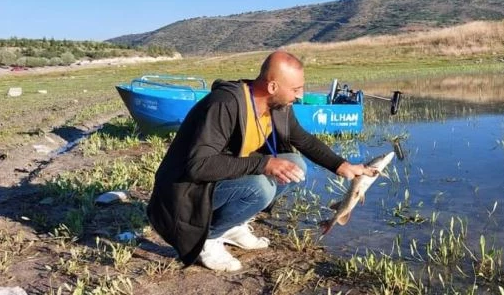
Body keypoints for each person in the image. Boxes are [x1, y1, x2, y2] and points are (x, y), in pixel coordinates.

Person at [146, 50, 377, 272]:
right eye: (296, 89)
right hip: (182, 193)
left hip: (216, 179)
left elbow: (303, 140)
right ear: (272, 86)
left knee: (296, 164)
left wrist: (342, 165)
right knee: (260, 188)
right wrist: (264, 164)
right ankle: (208, 238)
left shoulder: (277, 106)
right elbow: (198, 165)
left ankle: (233, 225)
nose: (300, 95)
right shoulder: (225, 104)